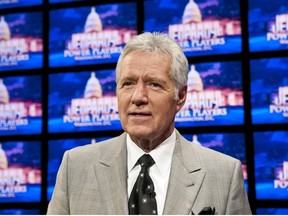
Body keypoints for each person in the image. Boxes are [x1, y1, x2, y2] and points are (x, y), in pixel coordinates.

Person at [47, 32, 251, 215]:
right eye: (128, 83)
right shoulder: (75, 167)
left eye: (154, 84)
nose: (138, 97)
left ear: (180, 96)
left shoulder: (224, 174)